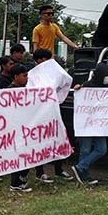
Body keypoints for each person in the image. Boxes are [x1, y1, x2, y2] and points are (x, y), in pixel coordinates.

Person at [71, 63, 108, 186]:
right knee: (85, 149)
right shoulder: (86, 86)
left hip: (100, 126)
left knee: (101, 149)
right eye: (107, 75)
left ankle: (80, 167)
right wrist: (78, 88)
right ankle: (83, 176)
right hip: (87, 124)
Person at [31, 48, 74, 183]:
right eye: (43, 59)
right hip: (38, 114)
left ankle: (59, 169)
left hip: (54, 112)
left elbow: (66, 81)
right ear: (37, 61)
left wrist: (57, 99)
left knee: (57, 137)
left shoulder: (55, 71)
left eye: (47, 59)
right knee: (39, 142)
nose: (46, 62)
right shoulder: (32, 75)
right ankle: (40, 172)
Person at [7, 64, 34, 192]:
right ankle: (15, 182)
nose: (27, 78)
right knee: (18, 155)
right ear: (16, 77)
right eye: (24, 76)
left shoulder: (26, 89)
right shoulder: (10, 92)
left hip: (26, 128)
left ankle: (21, 177)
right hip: (16, 129)